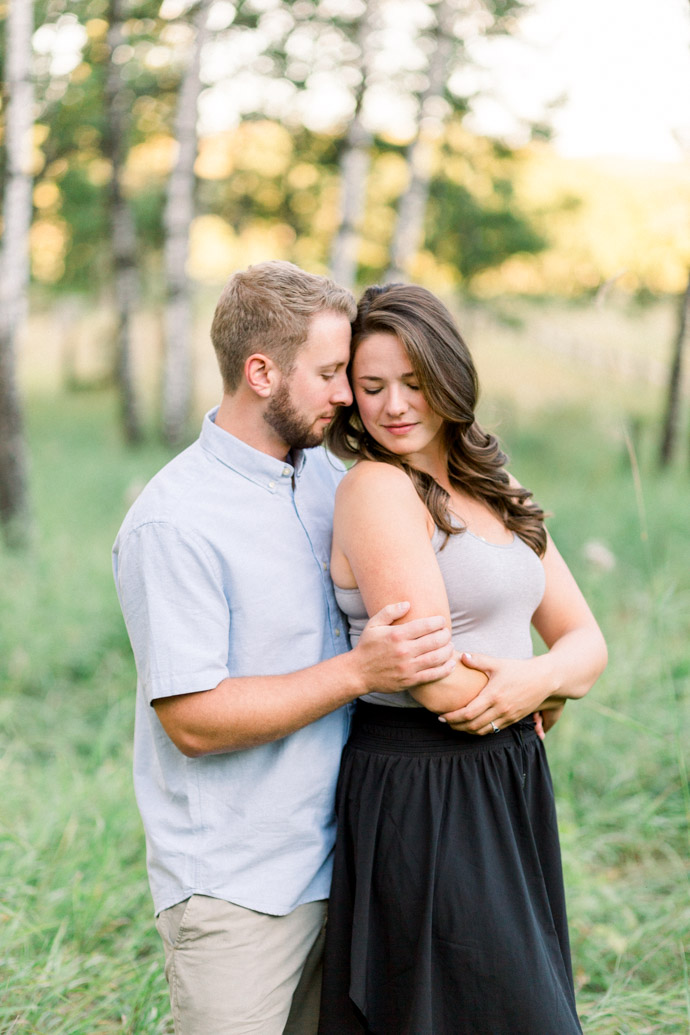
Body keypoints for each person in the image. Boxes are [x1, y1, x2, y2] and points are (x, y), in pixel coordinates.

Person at [112, 262, 458, 1035]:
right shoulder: (176, 521)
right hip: (239, 892)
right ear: (261, 372)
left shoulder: (328, 480)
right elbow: (194, 720)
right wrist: (358, 669)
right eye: (332, 372)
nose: (348, 394)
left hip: (352, 862)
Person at [318, 283, 608, 1034]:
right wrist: (534, 687)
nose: (393, 405)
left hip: (508, 775)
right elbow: (435, 680)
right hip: (425, 784)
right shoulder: (377, 488)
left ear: (449, 375)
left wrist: (536, 679)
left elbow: (587, 642)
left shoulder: (496, 487)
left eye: (414, 382)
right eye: (372, 386)